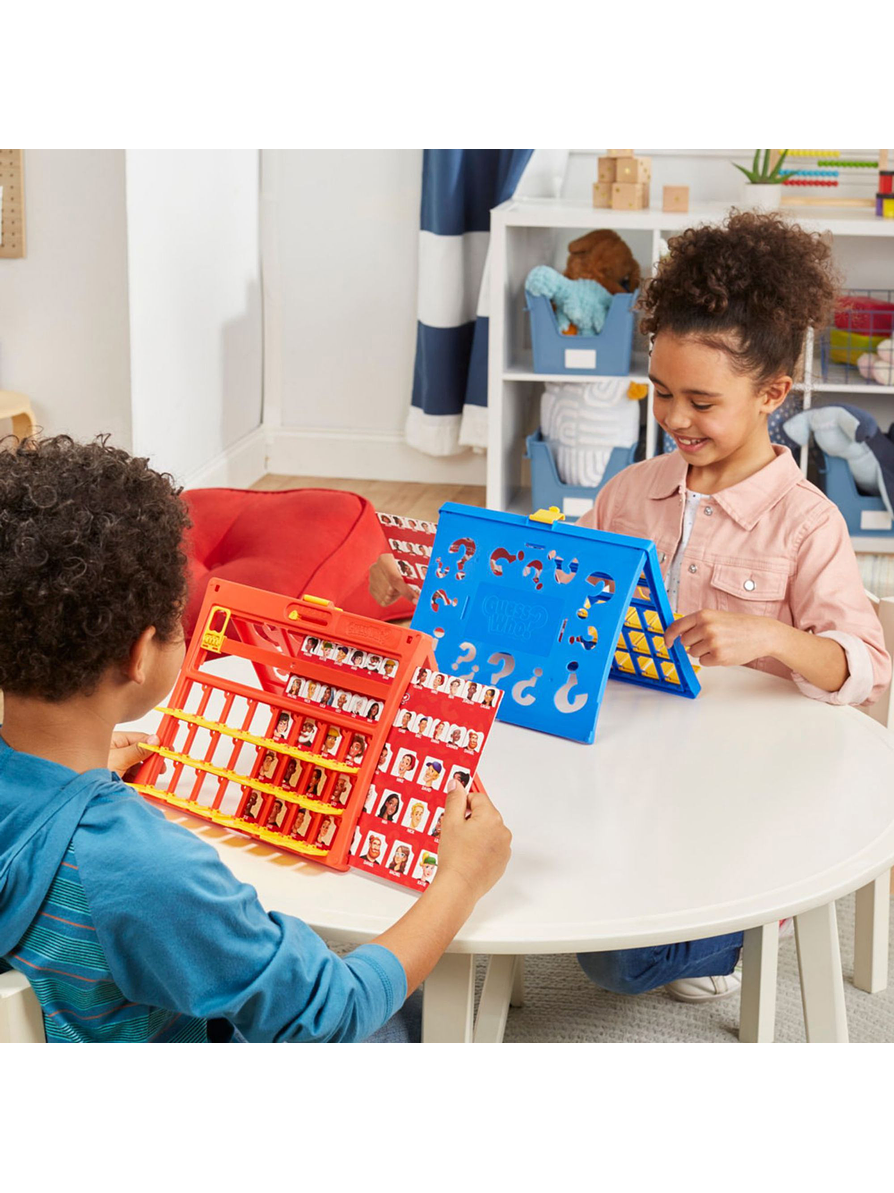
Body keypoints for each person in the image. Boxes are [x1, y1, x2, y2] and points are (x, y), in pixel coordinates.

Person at [368, 211, 894, 1006]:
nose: (675, 418)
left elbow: (866, 665)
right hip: (629, 763)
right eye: (663, 393)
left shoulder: (807, 523)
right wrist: (433, 588)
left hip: (740, 786)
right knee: (509, 852)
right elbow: (554, 594)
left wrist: (773, 636)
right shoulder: (628, 492)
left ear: (773, 394)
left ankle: (751, 919)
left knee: (615, 962)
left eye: (702, 401)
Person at [0, 435, 511, 1044]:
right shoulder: (147, 869)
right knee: (403, 1017)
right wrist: (460, 879)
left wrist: (80, 783)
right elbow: (333, 1012)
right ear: (140, 653)